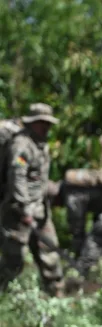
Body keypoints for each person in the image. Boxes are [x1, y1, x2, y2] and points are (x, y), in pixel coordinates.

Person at [0, 104, 64, 295]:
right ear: (32, 123)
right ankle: (3, 294)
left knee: (50, 252)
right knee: (14, 260)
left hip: (40, 209)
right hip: (18, 211)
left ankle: (56, 296)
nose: (46, 127)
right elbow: (17, 177)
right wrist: (24, 208)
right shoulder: (21, 145)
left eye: (48, 124)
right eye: (42, 123)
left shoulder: (41, 144)